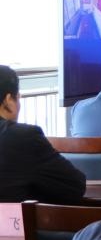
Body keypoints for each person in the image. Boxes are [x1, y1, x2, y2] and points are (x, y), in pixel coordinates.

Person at [0, 64, 85, 204]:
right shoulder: (23, 137)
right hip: (14, 218)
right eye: (18, 98)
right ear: (8, 100)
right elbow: (75, 185)